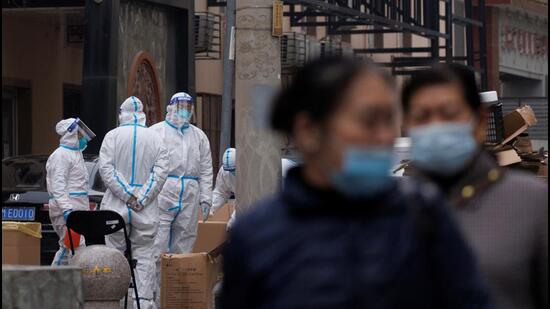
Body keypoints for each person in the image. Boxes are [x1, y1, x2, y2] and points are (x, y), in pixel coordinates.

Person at [221, 57, 493, 308]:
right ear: (309, 131)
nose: (385, 136)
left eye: (389, 120)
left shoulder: (423, 215)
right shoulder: (257, 236)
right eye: (369, 122)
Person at [401, 63, 548, 309]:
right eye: (422, 116)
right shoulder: (385, 206)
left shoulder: (531, 202)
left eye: (449, 114)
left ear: (479, 120)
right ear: (407, 124)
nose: (436, 126)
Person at [99, 96, 169, 309]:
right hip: (145, 210)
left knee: (114, 255)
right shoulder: (156, 138)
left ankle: (115, 300)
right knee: (145, 256)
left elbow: (106, 169)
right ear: (142, 114)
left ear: (123, 113)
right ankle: (143, 302)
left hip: (115, 208)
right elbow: (161, 171)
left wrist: (127, 195)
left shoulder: (112, 136)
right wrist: (142, 197)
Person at [150, 92, 213, 306]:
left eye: (189, 106)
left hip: (190, 192)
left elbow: (206, 168)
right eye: (181, 105)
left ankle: (176, 299)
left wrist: (206, 197)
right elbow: (147, 165)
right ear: (171, 107)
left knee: (184, 247)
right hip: (163, 191)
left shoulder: (198, 136)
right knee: (157, 247)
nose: (185, 109)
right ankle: (156, 299)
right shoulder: (156, 132)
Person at [46, 118, 95, 266]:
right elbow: (58, 187)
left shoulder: (75, 154)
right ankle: (54, 283)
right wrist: (67, 210)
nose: (83, 138)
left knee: (71, 248)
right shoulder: (61, 155)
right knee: (72, 247)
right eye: (80, 135)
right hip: (67, 211)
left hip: (76, 211)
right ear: (71, 134)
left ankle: (65, 285)